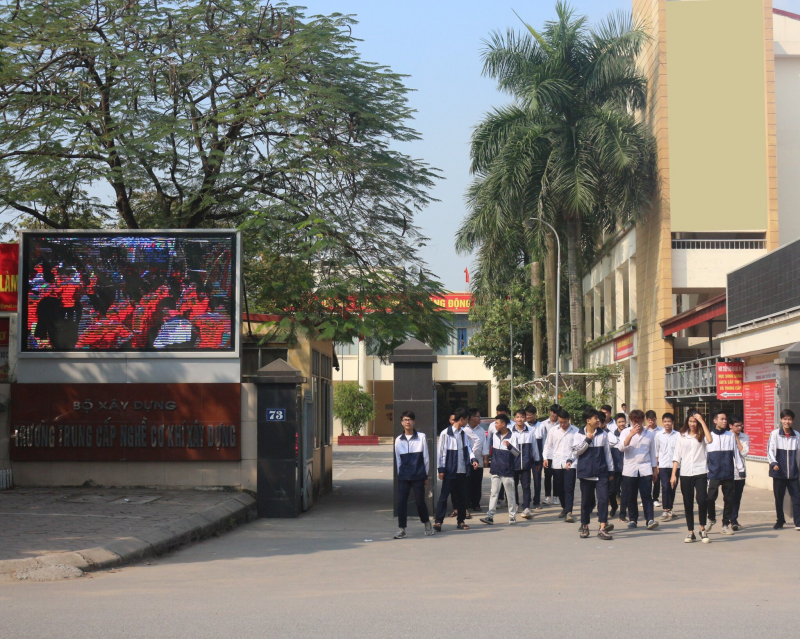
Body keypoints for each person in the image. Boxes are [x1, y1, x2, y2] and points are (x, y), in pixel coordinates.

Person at [434, 407, 479, 532]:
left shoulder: (464, 433)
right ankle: (438, 521)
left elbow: (468, 449)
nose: (467, 423)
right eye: (466, 420)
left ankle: (461, 520)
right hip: (449, 470)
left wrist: (473, 459)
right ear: (461, 419)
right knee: (444, 496)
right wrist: (441, 469)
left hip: (462, 470)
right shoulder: (445, 433)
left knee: (462, 497)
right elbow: (441, 452)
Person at [671, 411, 713, 543]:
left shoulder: (702, 435)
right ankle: (690, 532)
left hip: (700, 472)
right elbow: (677, 456)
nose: (692, 424)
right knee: (688, 502)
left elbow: (710, 440)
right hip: (685, 473)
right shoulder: (681, 436)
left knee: (702, 500)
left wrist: (702, 421)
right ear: (687, 422)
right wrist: (673, 474)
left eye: (694, 421)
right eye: (690, 421)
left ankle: (702, 529)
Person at [573, 408, 615, 540]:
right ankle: (585, 525)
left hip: (601, 472)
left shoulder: (603, 434)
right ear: (588, 420)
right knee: (586, 501)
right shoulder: (579, 434)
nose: (598, 420)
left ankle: (602, 528)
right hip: (586, 473)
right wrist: (588, 440)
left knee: (603, 500)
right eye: (595, 418)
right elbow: (576, 452)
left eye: (598, 418)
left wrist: (611, 470)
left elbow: (608, 453)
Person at [393, 411, 433, 539]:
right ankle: (401, 529)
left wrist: (425, 475)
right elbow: (398, 460)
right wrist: (400, 475)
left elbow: (426, 457)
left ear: (414, 422)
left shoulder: (421, 437)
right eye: (405, 420)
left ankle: (427, 523)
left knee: (420, 502)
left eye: (410, 419)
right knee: (401, 502)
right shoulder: (398, 440)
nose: (407, 422)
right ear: (402, 423)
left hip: (418, 475)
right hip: (404, 476)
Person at [617, 409, 659, 530]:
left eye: (640, 422)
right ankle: (633, 519)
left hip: (645, 468)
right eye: (636, 422)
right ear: (631, 421)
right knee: (631, 495)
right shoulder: (625, 432)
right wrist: (631, 434)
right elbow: (621, 448)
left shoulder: (649, 434)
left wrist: (655, 469)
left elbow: (652, 453)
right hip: (630, 469)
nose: (638, 425)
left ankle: (650, 519)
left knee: (647, 495)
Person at [705, 410, 744, 535]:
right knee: (710, 498)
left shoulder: (730, 435)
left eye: (726, 419)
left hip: (728, 472)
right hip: (714, 473)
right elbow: (705, 455)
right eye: (722, 419)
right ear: (715, 421)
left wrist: (740, 469)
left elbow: (736, 454)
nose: (725, 421)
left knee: (729, 499)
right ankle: (711, 518)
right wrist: (705, 471)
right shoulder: (709, 436)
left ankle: (725, 524)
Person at [480, 414, 520, 525]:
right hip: (496, 469)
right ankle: (490, 516)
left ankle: (512, 516)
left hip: (507, 470)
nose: (495, 425)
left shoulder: (513, 436)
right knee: (494, 493)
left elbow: (517, 453)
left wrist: (510, 446)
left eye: (497, 423)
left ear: (503, 424)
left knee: (510, 494)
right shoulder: (495, 436)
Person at [543, 408, 579, 522]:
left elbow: (577, 448)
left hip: (571, 463)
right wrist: (545, 458)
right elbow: (548, 445)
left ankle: (569, 512)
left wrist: (572, 459)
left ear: (569, 420)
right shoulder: (553, 431)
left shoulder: (576, 431)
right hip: (557, 463)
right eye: (560, 422)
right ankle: (564, 507)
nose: (562, 424)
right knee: (559, 488)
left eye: (564, 422)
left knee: (569, 488)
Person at [766, 409, 800, 530]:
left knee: (796, 498)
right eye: (785, 419)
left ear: (793, 420)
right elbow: (770, 450)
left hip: (793, 473)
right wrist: (773, 463)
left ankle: (798, 522)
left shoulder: (796, 435)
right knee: (779, 498)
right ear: (781, 420)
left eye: (789, 419)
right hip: (779, 472)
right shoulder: (775, 434)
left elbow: (798, 454)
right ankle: (780, 520)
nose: (787, 421)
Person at [512, 408, 540, 519]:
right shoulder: (510, 432)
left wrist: (537, 460)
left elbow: (535, 448)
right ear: (514, 418)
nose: (520, 419)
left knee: (526, 486)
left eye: (522, 417)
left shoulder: (530, 432)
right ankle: (516, 504)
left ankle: (526, 507)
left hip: (526, 464)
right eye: (518, 417)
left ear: (525, 418)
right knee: (512, 486)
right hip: (513, 464)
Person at [655, 412, 680, 521]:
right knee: (665, 487)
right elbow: (656, 451)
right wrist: (656, 465)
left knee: (672, 487)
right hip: (663, 465)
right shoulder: (659, 435)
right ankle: (666, 510)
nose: (667, 423)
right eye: (665, 421)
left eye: (669, 421)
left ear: (672, 422)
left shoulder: (678, 435)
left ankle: (670, 508)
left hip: (675, 466)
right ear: (663, 422)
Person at [464, 408, 489, 512]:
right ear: (470, 417)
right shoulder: (464, 429)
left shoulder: (481, 430)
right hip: (466, 461)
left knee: (477, 483)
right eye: (478, 416)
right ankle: (467, 503)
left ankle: (476, 503)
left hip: (478, 460)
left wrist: (485, 458)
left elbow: (484, 444)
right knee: (467, 483)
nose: (479, 418)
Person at [729, 414, 749, 531]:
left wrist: (736, 438)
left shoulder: (744, 437)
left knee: (737, 497)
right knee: (728, 497)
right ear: (730, 426)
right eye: (737, 426)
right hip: (727, 471)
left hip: (740, 472)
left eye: (741, 426)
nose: (739, 428)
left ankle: (734, 519)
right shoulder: (725, 436)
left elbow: (744, 452)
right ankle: (728, 519)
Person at [539, 404, 561, 506]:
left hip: (557, 455)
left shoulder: (560, 424)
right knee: (547, 476)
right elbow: (544, 441)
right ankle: (548, 496)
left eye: (557, 413)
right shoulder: (543, 424)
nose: (555, 415)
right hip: (547, 455)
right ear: (550, 412)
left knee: (557, 477)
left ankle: (556, 497)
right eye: (554, 412)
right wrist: (544, 457)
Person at [525, 405, 545, 510]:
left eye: (530, 414)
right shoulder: (523, 426)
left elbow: (544, 441)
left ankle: (536, 501)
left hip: (538, 457)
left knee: (537, 479)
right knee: (526, 480)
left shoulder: (541, 426)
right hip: (527, 456)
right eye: (526, 415)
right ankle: (526, 502)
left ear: (534, 415)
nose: (528, 417)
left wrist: (544, 457)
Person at [608, 413, 626, 520]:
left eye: (623, 421)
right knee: (612, 491)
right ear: (616, 423)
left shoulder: (629, 433)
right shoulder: (612, 436)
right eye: (619, 422)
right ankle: (614, 506)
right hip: (614, 468)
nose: (622, 424)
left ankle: (623, 512)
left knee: (625, 491)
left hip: (626, 468)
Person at [645, 410, 665, 507]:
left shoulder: (661, 430)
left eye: (653, 419)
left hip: (657, 457)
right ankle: (647, 497)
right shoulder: (644, 430)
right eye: (649, 420)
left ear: (656, 419)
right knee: (647, 479)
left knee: (657, 478)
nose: (651, 422)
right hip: (646, 457)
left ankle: (655, 498)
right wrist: (646, 428)